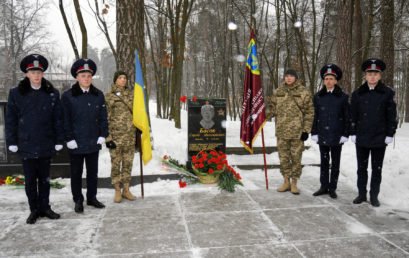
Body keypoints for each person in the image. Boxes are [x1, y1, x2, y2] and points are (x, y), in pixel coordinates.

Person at [5, 54, 64, 224]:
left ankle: (45, 207)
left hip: (46, 142)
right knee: (30, 180)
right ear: (26, 74)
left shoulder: (52, 93)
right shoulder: (16, 93)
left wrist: (59, 140)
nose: (36, 75)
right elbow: (11, 119)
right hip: (26, 143)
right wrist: (12, 142)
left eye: (39, 72)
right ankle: (34, 210)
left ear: (43, 74)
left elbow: (57, 119)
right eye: (33, 72)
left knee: (45, 179)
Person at [61, 59, 109, 213]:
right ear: (77, 77)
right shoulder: (68, 96)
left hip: (93, 140)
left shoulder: (98, 95)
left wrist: (103, 134)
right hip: (76, 142)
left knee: (92, 172)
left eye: (89, 75)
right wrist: (69, 139)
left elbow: (103, 117)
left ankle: (92, 197)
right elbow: (65, 119)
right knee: (76, 173)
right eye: (83, 75)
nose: (86, 78)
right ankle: (78, 199)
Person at [350, 58, 397, 207]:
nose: (372, 76)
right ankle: (361, 194)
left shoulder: (387, 93)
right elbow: (353, 115)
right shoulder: (357, 93)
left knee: (377, 170)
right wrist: (353, 131)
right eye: (369, 73)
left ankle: (374, 195)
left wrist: (390, 133)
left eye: (375, 74)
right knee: (361, 168)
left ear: (380, 76)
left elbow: (391, 115)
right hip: (362, 137)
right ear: (365, 75)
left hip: (379, 137)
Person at [267, 69, 314, 194]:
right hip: (282, 132)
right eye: (286, 76)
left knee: (296, 158)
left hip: (297, 133)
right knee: (283, 158)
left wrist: (306, 130)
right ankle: (286, 181)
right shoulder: (278, 92)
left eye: (291, 76)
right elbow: (271, 109)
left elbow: (310, 112)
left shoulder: (303, 92)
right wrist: (260, 116)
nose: (288, 78)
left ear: (296, 78)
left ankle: (294, 183)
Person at [311, 64, 350, 199]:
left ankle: (332, 188)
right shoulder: (318, 96)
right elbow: (314, 116)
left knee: (335, 163)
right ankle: (323, 186)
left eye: (331, 79)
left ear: (336, 80)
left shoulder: (343, 97)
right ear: (323, 80)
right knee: (324, 162)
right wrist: (314, 132)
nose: (328, 81)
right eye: (326, 78)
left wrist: (345, 134)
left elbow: (347, 117)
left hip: (337, 136)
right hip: (322, 134)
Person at [105, 71, 137, 203]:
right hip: (116, 137)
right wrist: (108, 137)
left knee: (128, 164)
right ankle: (117, 190)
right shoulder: (109, 96)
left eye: (125, 78)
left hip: (129, 136)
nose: (123, 80)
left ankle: (126, 189)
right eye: (120, 78)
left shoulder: (131, 95)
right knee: (116, 164)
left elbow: (138, 114)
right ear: (115, 80)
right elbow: (105, 118)